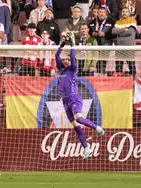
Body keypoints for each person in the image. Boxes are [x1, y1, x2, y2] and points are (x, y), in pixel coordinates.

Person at [55, 32, 105, 160]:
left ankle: (98, 128)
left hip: (74, 97)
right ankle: (87, 149)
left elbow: (73, 57)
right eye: (64, 59)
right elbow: (56, 55)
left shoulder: (73, 69)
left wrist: (72, 45)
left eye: (67, 59)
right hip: (65, 101)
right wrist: (63, 44)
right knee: (75, 126)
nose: (65, 60)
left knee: (78, 118)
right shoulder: (60, 70)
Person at [112, 7, 137, 76]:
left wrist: (119, 32)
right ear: (121, 13)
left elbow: (130, 32)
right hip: (119, 47)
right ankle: (119, 82)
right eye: (123, 11)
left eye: (126, 11)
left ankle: (134, 83)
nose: (124, 13)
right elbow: (113, 31)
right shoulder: (118, 22)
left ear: (129, 13)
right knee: (118, 66)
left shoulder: (133, 21)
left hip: (129, 47)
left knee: (132, 66)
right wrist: (124, 29)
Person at [89, 7, 114, 74]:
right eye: (100, 12)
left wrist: (105, 34)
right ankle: (95, 75)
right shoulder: (92, 22)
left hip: (106, 43)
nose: (101, 14)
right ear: (97, 13)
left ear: (106, 13)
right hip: (95, 44)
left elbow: (114, 33)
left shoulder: (111, 21)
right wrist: (92, 33)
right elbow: (89, 32)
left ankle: (102, 74)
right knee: (95, 60)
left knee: (103, 60)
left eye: (103, 12)